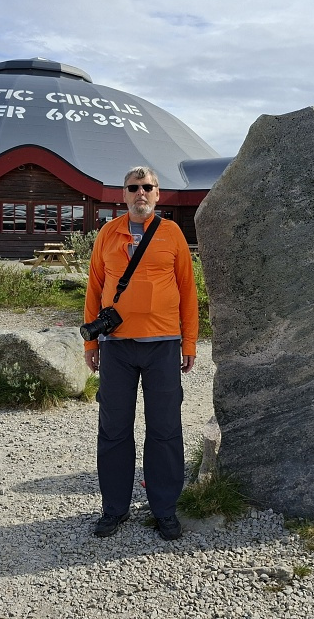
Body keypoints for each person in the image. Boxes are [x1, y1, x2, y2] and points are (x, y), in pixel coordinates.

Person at [83, 166, 198, 541]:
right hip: (116, 346)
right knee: (114, 430)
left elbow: (188, 290)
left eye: (148, 186)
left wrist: (189, 342)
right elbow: (94, 288)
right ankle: (114, 509)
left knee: (165, 429)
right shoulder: (107, 233)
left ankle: (165, 509)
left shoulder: (172, 233)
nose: (140, 193)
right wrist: (90, 343)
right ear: (124, 194)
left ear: (158, 193)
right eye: (133, 187)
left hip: (163, 345)